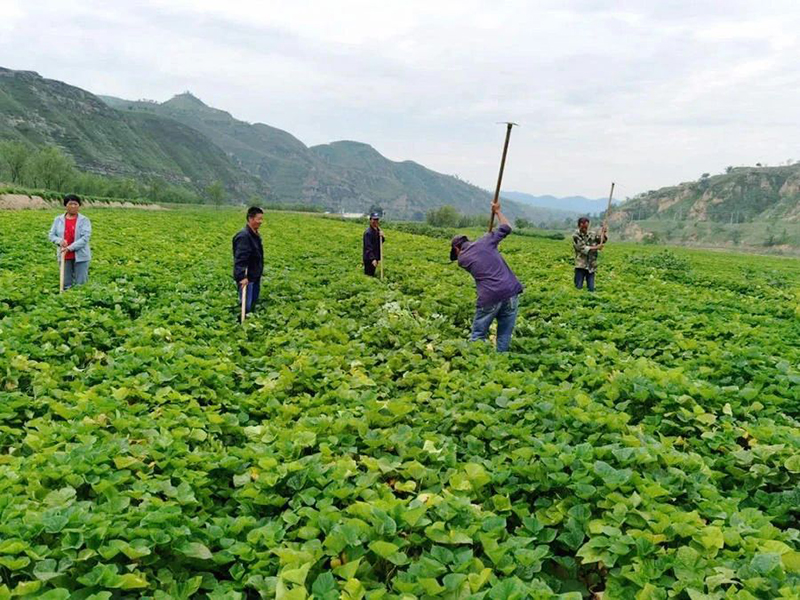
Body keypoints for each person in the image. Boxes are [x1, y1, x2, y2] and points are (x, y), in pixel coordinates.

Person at [450, 201, 524, 352]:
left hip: (490, 296)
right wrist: (497, 212)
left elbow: (470, 254)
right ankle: (501, 361)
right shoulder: (486, 242)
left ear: (457, 249)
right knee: (504, 334)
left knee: (478, 333)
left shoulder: (463, 260)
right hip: (510, 292)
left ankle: (476, 362)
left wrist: (487, 239)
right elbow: (507, 227)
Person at [48, 194, 92, 289]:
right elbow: (51, 235)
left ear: (79, 206)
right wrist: (60, 241)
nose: (73, 206)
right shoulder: (58, 220)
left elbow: (85, 238)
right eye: (70, 204)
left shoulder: (84, 220)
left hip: (81, 256)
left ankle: (80, 301)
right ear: (65, 205)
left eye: (75, 204)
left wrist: (70, 248)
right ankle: (66, 299)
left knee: (81, 284)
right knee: (66, 283)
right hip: (64, 254)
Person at [233, 206, 264, 319]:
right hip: (247, 279)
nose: (261, 222)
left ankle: (250, 323)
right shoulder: (244, 236)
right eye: (258, 219)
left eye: (261, 219)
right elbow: (240, 258)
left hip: (254, 276)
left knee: (253, 303)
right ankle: (241, 324)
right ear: (250, 219)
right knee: (246, 305)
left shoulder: (254, 235)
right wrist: (242, 276)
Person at [572, 217, 608, 292]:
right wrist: (597, 247)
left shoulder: (591, 234)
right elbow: (583, 249)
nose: (585, 229)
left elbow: (602, 240)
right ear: (579, 226)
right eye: (583, 227)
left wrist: (603, 233)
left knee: (591, 289)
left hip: (591, 266)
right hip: (580, 265)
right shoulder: (576, 235)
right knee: (578, 288)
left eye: (586, 227)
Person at [362, 212, 385, 276]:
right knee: (369, 275)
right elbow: (368, 247)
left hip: (375, 257)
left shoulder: (378, 230)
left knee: (372, 274)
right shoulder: (368, 233)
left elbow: (380, 242)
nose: (375, 221)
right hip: (369, 258)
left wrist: (382, 236)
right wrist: (372, 259)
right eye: (374, 220)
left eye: (377, 220)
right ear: (370, 220)